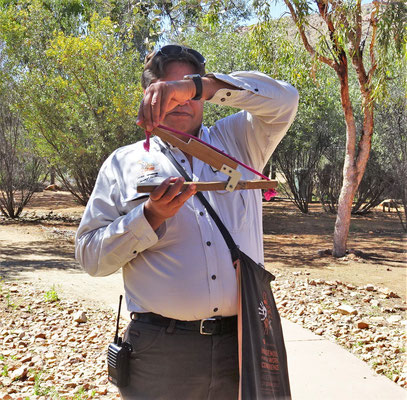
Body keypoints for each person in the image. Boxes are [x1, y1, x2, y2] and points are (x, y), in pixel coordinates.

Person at [75, 44, 299, 399]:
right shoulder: (122, 163)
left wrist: (200, 85)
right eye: (168, 90)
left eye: (188, 90)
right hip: (160, 353)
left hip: (243, 343)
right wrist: (148, 218)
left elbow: (285, 99)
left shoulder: (239, 140)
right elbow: (89, 256)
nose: (181, 100)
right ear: (149, 96)